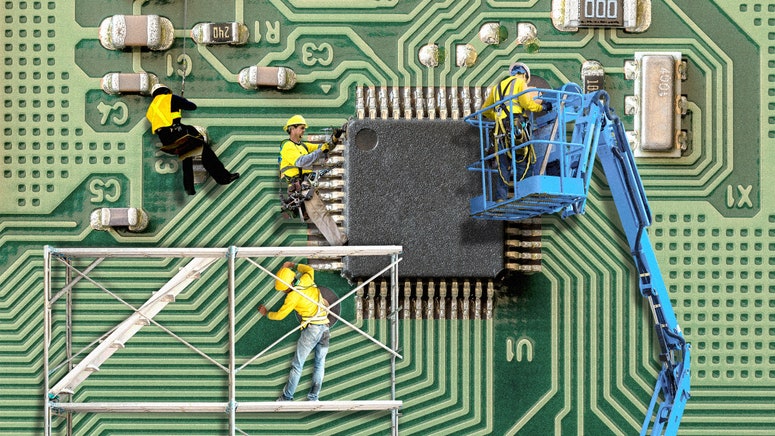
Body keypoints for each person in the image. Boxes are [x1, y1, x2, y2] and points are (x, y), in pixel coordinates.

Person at [146, 84, 239, 195]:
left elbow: (164, 120)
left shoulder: (152, 108)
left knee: (187, 155)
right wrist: (182, 100)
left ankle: (189, 188)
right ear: (166, 91)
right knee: (206, 152)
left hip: (166, 141)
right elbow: (191, 106)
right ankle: (224, 178)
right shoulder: (169, 98)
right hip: (177, 134)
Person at [258, 261, 330, 401]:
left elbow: (279, 315)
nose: (283, 292)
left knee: (297, 365)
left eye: (283, 290)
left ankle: (287, 397)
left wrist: (266, 313)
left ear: (286, 288)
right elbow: (308, 268)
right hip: (325, 328)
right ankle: (313, 398)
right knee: (319, 364)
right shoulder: (306, 278)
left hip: (311, 330)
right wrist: (292, 265)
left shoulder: (292, 297)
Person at [480, 62, 552, 201]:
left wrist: (498, 117)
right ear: (525, 74)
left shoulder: (497, 87)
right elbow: (527, 104)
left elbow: (485, 109)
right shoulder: (520, 82)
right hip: (516, 127)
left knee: (503, 164)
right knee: (523, 161)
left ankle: (500, 197)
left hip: (500, 130)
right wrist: (543, 108)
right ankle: (524, 195)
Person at [279, 115, 347, 245]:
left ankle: (339, 241)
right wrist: (320, 150)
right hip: (300, 188)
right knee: (320, 215)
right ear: (292, 129)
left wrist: (335, 138)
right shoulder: (287, 146)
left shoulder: (303, 146)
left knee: (320, 213)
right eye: (301, 128)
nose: (304, 130)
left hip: (306, 187)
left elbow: (325, 147)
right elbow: (301, 161)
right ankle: (340, 242)